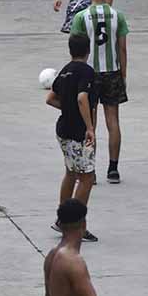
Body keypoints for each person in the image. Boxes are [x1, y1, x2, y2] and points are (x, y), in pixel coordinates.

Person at [70, 0, 129, 184]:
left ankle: (90, 170)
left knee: (90, 124)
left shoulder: (81, 17)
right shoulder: (117, 15)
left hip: (89, 73)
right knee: (113, 121)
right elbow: (122, 49)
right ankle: (113, 169)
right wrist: (123, 74)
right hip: (112, 71)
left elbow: (76, 50)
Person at [47, 35, 99, 243]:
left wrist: (67, 109)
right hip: (78, 133)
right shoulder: (87, 72)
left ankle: (62, 219)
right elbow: (82, 97)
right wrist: (89, 127)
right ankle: (75, 224)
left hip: (62, 130)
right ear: (88, 50)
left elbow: (50, 99)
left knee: (70, 173)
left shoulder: (65, 70)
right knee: (87, 177)